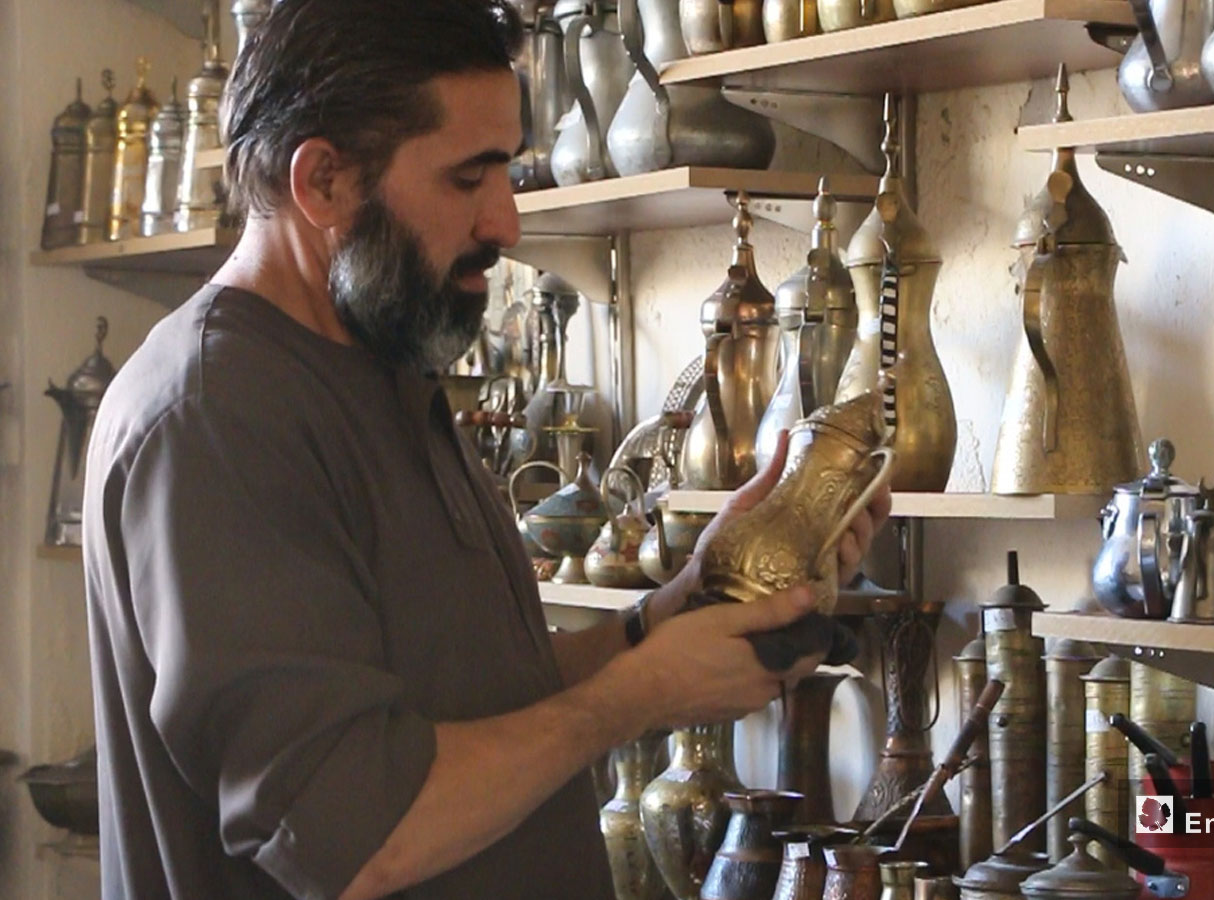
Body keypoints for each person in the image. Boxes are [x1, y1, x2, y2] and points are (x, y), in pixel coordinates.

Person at [81, 1, 891, 898]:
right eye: (470, 179)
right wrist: (639, 697)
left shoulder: (383, 366)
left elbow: (473, 697)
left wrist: (672, 610)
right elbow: (359, 833)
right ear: (323, 184)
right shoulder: (218, 419)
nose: (507, 224)